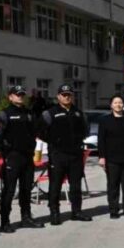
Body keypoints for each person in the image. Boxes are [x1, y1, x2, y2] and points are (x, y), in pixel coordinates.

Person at [38, 84, 90, 224]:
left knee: (75, 186)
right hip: (58, 155)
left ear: (72, 96)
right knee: (55, 186)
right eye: (64, 95)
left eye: (69, 95)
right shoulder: (50, 113)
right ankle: (54, 213)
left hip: (75, 155)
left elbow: (86, 131)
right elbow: (40, 132)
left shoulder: (78, 113)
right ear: (58, 96)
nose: (67, 97)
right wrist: (55, 141)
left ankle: (76, 211)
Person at [0, 85, 45, 232]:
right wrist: (7, 152)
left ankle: (26, 217)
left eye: (22, 95)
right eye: (17, 95)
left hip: (27, 157)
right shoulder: (4, 114)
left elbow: (35, 131)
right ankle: (5, 221)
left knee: (26, 189)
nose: (20, 97)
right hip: (13, 157)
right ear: (10, 97)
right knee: (9, 190)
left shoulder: (29, 114)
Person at [96, 95, 124, 219]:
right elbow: (101, 140)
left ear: (123, 104)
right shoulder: (105, 120)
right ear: (111, 105)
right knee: (113, 185)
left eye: (120, 102)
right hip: (111, 159)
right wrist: (102, 157)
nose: (118, 105)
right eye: (115, 103)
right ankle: (114, 209)